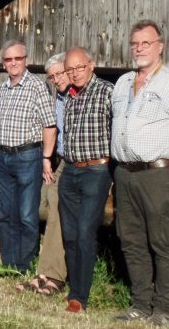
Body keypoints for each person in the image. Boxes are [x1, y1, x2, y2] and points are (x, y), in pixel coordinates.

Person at [113, 20, 169, 326]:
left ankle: (164, 310)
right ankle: (140, 304)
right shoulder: (123, 83)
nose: (139, 48)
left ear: (160, 46)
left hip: (159, 175)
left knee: (163, 242)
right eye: (135, 43)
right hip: (125, 174)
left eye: (145, 43)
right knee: (131, 241)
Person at [58, 46, 113, 313]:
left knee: (84, 233)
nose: (76, 73)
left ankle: (80, 296)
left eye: (80, 67)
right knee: (69, 235)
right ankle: (73, 287)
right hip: (70, 171)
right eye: (70, 69)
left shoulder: (106, 92)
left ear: (91, 65)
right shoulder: (69, 96)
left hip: (96, 171)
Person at [0, 40, 56, 273]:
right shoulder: (2, 88)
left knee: (28, 214)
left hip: (28, 155)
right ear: (3, 64)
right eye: (8, 60)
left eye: (17, 59)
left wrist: (46, 158)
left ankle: (26, 265)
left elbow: (49, 125)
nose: (13, 63)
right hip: (3, 156)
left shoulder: (37, 86)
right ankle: (9, 264)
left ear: (25, 60)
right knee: (6, 214)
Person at [16, 52, 70, 295]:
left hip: (87, 165)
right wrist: (48, 160)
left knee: (58, 213)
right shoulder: (58, 97)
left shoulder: (89, 93)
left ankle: (54, 275)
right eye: (52, 76)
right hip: (62, 162)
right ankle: (45, 272)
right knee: (47, 210)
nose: (56, 79)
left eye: (60, 73)